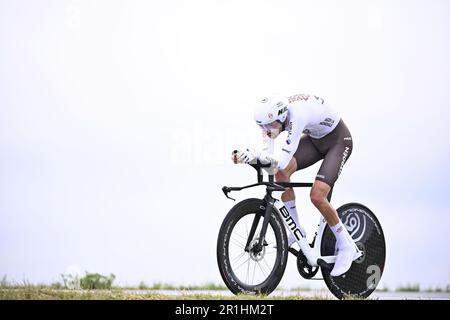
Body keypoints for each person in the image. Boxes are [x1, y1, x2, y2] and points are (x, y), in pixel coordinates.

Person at [232, 94, 359, 277]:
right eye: (262, 126)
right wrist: (251, 157)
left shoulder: (297, 116)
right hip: (316, 140)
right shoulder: (273, 119)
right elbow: (270, 157)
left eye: (271, 126)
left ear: (282, 117)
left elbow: (281, 161)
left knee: (317, 196)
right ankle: (297, 229)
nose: (267, 131)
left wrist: (255, 156)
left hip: (338, 142)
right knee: (281, 175)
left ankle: (347, 247)